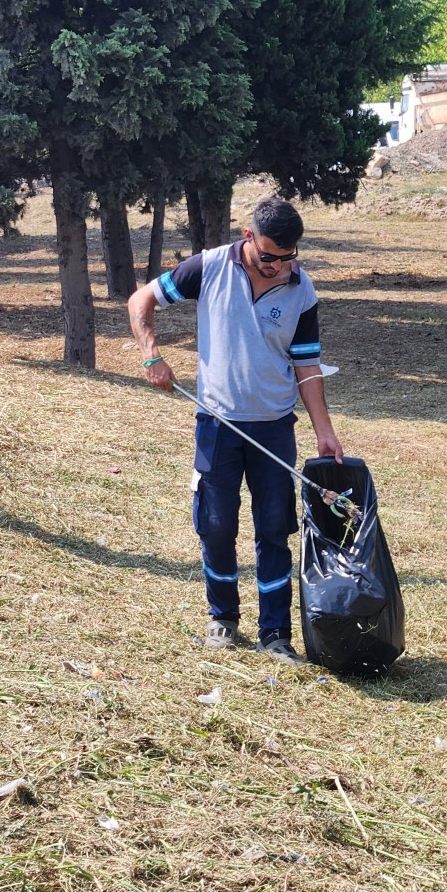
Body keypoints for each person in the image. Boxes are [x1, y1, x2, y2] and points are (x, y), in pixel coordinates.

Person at [127, 197, 342, 665]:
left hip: (274, 429)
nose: (280, 267)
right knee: (217, 525)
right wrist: (151, 354)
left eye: (289, 257)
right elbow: (140, 300)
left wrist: (324, 430)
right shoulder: (206, 268)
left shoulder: (301, 289)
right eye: (270, 257)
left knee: (273, 529)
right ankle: (222, 618)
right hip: (217, 424)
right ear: (248, 239)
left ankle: (275, 633)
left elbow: (306, 363)